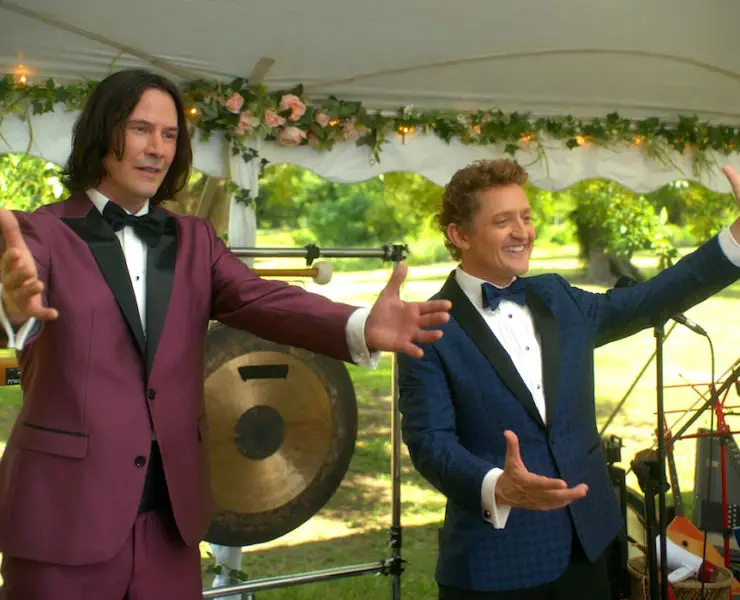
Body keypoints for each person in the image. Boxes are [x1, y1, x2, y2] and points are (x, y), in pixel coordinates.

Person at [0, 68, 451, 600]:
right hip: (63, 518)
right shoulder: (40, 232)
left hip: (171, 522)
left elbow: (261, 298)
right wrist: (10, 308)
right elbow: (16, 299)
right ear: (102, 133)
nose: (158, 148)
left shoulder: (194, 239)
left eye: (170, 135)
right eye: (141, 129)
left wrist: (359, 325)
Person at [397, 158, 740, 600]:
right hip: (495, 562)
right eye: (502, 221)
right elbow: (430, 442)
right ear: (459, 235)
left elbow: (650, 299)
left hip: (589, 545)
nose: (522, 232)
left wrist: (736, 239)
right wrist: (496, 484)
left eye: (526, 217)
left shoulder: (557, 297)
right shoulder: (427, 328)